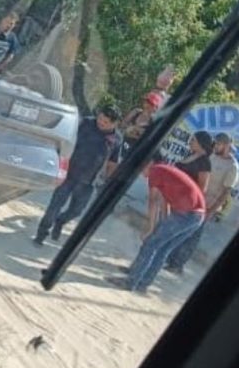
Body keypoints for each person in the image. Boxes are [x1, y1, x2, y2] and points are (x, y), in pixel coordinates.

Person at [107, 162, 205, 293]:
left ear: (147, 165)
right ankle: (142, 282)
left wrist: (150, 228)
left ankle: (131, 282)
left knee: (150, 244)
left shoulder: (155, 172)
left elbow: (153, 201)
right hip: (197, 217)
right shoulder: (165, 172)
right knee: (163, 249)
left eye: (141, 170)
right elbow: (165, 201)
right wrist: (162, 223)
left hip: (185, 214)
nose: (142, 175)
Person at [33, 105, 122, 245]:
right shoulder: (85, 123)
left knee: (76, 211)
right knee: (54, 206)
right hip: (69, 174)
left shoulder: (116, 139)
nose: (101, 123)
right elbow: (68, 141)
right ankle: (41, 234)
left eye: (105, 122)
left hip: (88, 182)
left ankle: (60, 221)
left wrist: (108, 180)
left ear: (115, 123)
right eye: (100, 118)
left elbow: (112, 162)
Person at [166, 132, 239, 273]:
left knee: (192, 235)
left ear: (226, 146)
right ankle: (168, 258)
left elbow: (225, 193)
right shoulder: (210, 156)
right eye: (215, 143)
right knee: (178, 229)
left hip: (207, 205)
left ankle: (177, 264)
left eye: (218, 144)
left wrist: (211, 211)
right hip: (191, 199)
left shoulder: (233, 167)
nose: (215, 146)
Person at [105, 92, 163, 176]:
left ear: (155, 108)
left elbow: (148, 140)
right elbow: (121, 127)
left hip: (134, 152)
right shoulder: (136, 112)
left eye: (151, 104)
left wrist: (135, 131)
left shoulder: (153, 122)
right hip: (122, 145)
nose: (147, 105)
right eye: (147, 102)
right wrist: (130, 130)